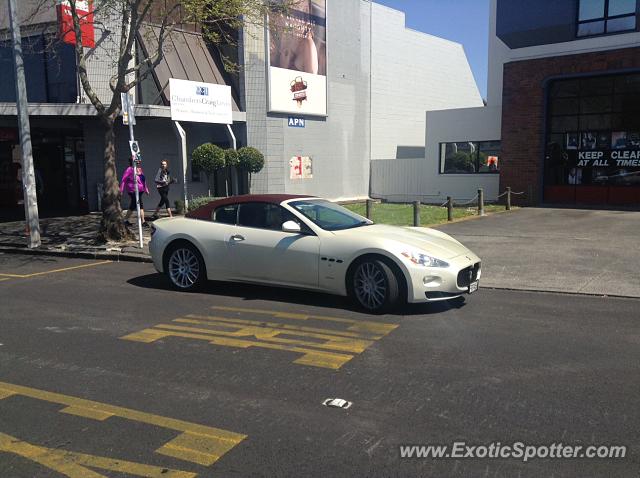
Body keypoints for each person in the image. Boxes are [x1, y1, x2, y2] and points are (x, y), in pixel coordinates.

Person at [120, 158, 149, 227]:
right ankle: (142, 221)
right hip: (133, 191)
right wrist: (121, 190)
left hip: (140, 190)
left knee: (135, 205)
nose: (138, 162)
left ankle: (127, 220)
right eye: (137, 161)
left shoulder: (139, 169)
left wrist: (146, 189)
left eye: (139, 161)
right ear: (132, 162)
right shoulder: (129, 169)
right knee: (138, 204)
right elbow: (123, 180)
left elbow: (143, 180)